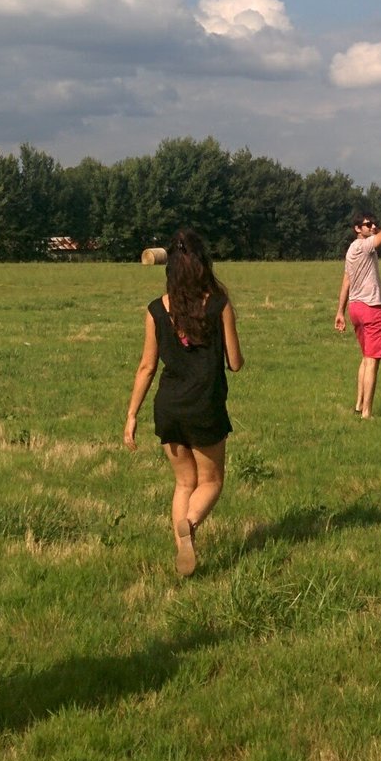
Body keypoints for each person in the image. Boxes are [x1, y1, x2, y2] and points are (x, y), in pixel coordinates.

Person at [124, 228, 243, 577]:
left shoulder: (155, 310)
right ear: (204, 265)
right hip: (205, 406)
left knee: (184, 484)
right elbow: (234, 363)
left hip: (169, 407)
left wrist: (131, 416)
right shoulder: (219, 304)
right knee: (212, 481)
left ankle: (184, 558)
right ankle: (188, 525)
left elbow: (146, 367)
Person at [333, 179, 381, 419]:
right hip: (371, 309)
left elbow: (346, 280)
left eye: (373, 223)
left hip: (356, 309)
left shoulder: (350, 250)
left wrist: (340, 311)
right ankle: (367, 411)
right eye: (368, 225)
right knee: (373, 360)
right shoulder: (364, 246)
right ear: (358, 228)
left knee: (365, 358)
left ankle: (358, 404)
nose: (373, 226)